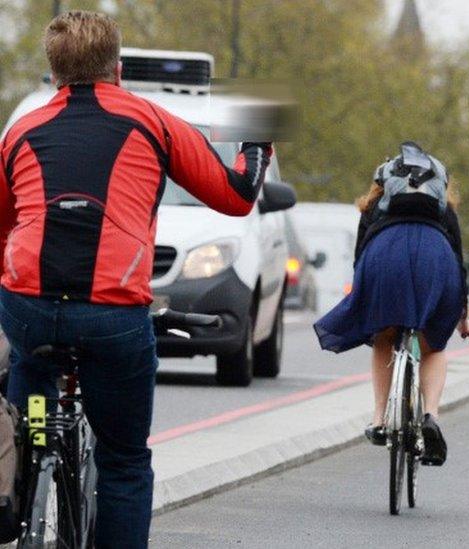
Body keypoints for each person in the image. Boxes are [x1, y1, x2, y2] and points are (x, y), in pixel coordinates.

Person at [0, 11, 272, 548]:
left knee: (28, 378)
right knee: (123, 461)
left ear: (54, 73)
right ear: (117, 69)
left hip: (29, 307)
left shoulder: (20, 132)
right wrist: (256, 140)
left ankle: (23, 456)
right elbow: (238, 196)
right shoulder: (153, 122)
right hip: (113, 313)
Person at [313, 141, 469, 466]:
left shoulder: (376, 205)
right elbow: (458, 263)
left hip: (383, 255)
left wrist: (365, 296)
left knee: (384, 336)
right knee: (433, 347)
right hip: (436, 256)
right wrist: (463, 318)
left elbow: (361, 257)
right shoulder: (443, 208)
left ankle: (380, 420)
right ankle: (430, 415)